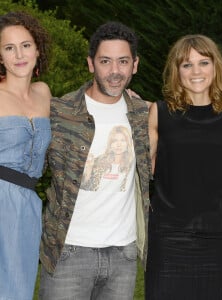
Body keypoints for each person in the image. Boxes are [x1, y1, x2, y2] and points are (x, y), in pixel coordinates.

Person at [39, 21, 151, 300]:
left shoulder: (144, 114)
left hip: (123, 254)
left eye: (123, 61)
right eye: (105, 61)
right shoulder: (59, 112)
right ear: (91, 64)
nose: (115, 71)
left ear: (135, 65)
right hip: (69, 251)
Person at [145, 34, 222, 300]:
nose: (196, 71)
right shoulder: (160, 112)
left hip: (216, 233)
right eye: (186, 65)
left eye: (203, 62)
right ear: (176, 72)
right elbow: (145, 166)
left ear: (216, 66)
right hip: (168, 233)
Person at [0, 11, 51, 300]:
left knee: (18, 289)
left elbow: (80, 111)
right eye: (9, 47)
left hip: (29, 206)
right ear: (0, 56)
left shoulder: (43, 92)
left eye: (26, 45)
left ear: (37, 49)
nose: (19, 54)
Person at [81, 125, 134, 191]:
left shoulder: (132, 164)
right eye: (115, 141)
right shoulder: (98, 161)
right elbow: (84, 187)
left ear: (128, 143)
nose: (118, 144)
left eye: (123, 140)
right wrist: (89, 168)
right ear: (110, 143)